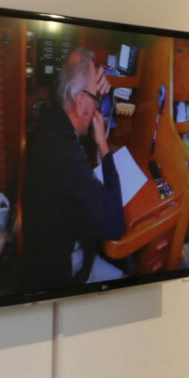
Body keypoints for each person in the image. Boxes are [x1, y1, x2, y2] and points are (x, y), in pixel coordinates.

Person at [20, 46, 128, 292]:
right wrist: (103, 146)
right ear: (81, 101)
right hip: (64, 277)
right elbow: (115, 225)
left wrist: (96, 81)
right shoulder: (67, 159)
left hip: (47, 251)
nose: (97, 106)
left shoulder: (50, 123)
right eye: (95, 99)